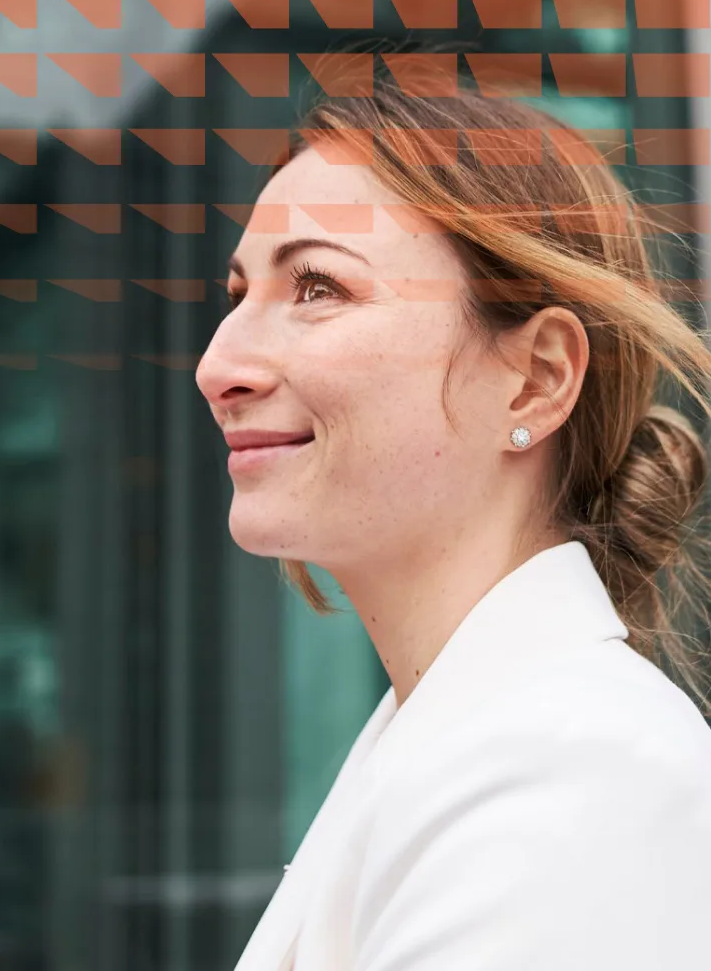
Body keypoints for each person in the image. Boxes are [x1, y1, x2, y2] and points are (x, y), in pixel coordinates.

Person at [196, 59, 711, 970]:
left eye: (317, 287)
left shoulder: (574, 771)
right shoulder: (474, 736)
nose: (219, 366)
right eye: (240, 296)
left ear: (538, 376)